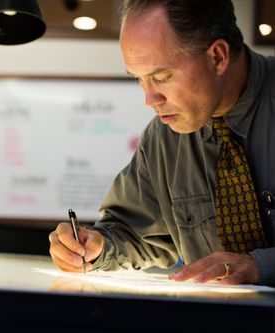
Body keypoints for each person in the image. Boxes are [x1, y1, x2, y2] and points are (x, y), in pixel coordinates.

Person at [49, 0, 275, 286]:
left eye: (161, 77)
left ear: (217, 57)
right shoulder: (162, 139)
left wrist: (261, 266)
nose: (150, 100)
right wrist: (95, 247)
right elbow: (132, 232)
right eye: (139, 80)